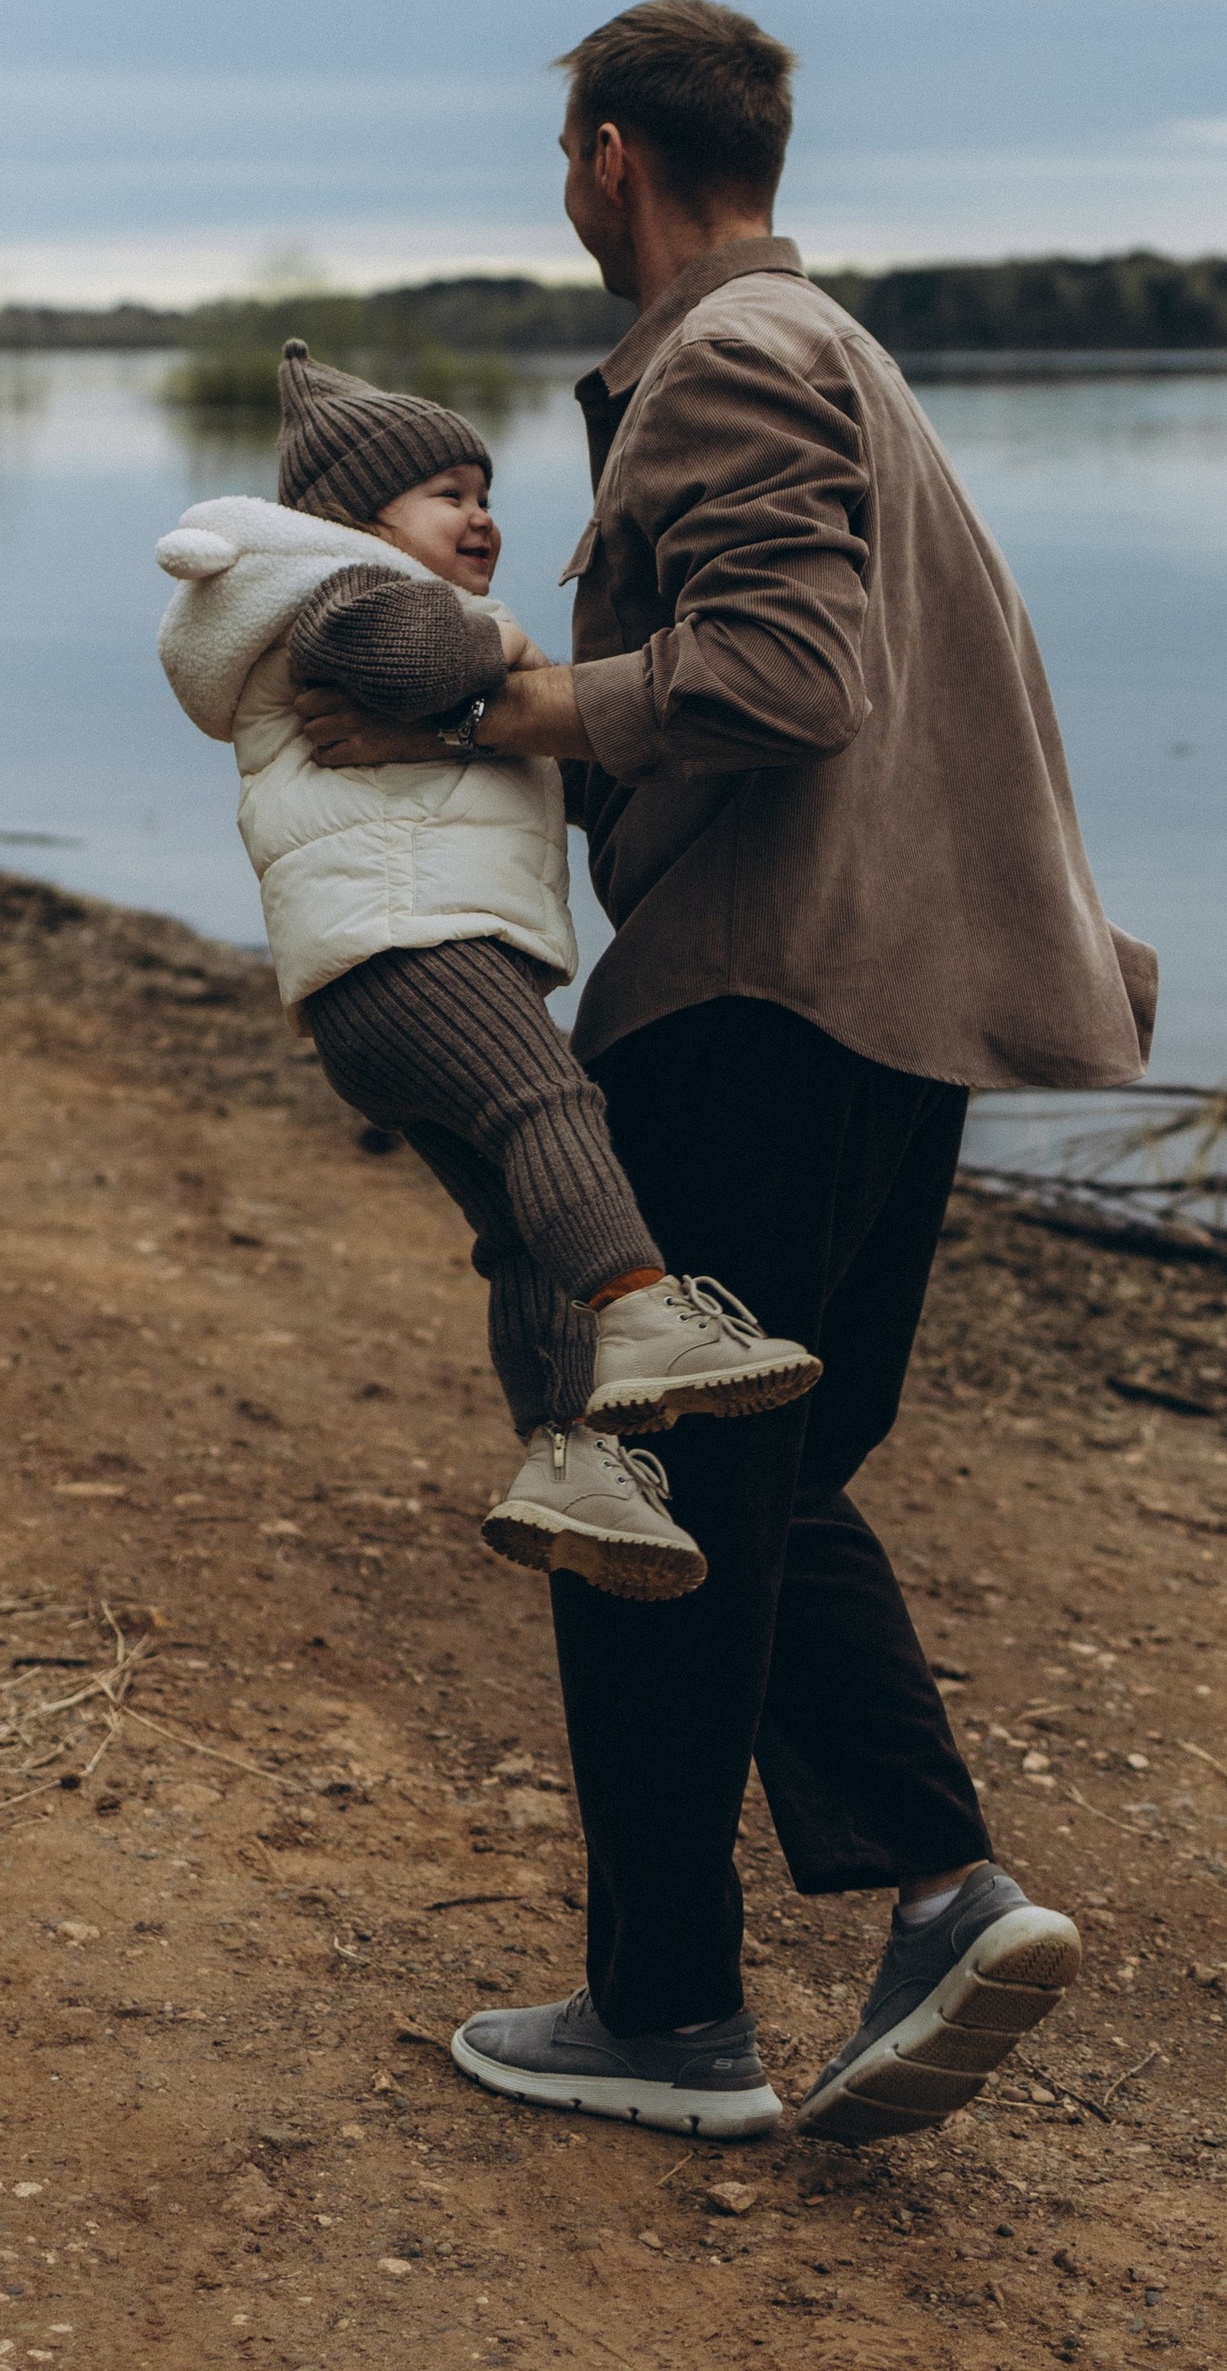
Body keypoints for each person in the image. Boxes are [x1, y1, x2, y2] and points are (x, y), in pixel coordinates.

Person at [294, 0, 1159, 2148]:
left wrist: (492, 703)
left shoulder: (728, 359)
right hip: (896, 1003)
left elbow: (782, 676)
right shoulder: (837, 349)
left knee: (645, 1462)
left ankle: (669, 2013)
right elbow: (805, 695)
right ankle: (941, 1895)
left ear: (607, 156)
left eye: (562, 160)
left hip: (765, 994)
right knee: (769, 1468)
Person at [154, 343, 820, 1603]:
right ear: (358, 517)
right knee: (550, 1108)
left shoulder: (349, 588)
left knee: (521, 1229)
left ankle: (569, 1458)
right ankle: (640, 1309)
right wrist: (509, 656)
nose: (482, 517)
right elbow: (408, 659)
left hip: (369, 975)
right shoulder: (345, 590)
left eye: (486, 492)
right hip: (411, 938)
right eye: (447, 495)